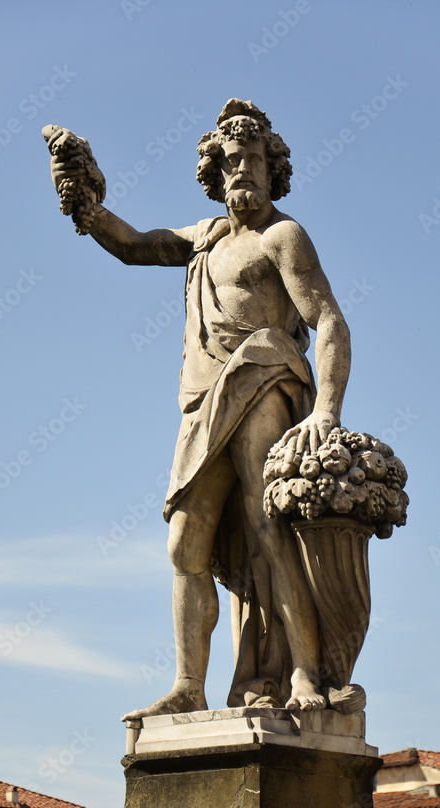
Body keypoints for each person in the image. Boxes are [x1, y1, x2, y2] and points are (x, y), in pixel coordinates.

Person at [46, 100, 351, 715]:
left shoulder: (282, 236)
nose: (242, 170)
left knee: (268, 524)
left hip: (264, 375)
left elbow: (328, 321)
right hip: (204, 397)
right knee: (185, 543)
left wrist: (328, 412)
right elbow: (134, 246)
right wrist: (87, 204)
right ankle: (190, 685)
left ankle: (304, 673)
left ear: (272, 169)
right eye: (231, 161)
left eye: (253, 160)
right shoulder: (205, 238)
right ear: (217, 171)